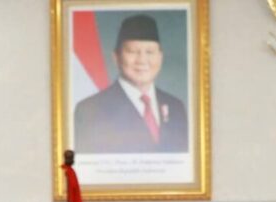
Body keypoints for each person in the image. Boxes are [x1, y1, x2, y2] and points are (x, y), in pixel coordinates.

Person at [72, 13, 191, 154]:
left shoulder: (176, 107)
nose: (142, 60)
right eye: (132, 51)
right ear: (116, 57)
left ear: (160, 57)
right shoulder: (90, 110)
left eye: (150, 52)